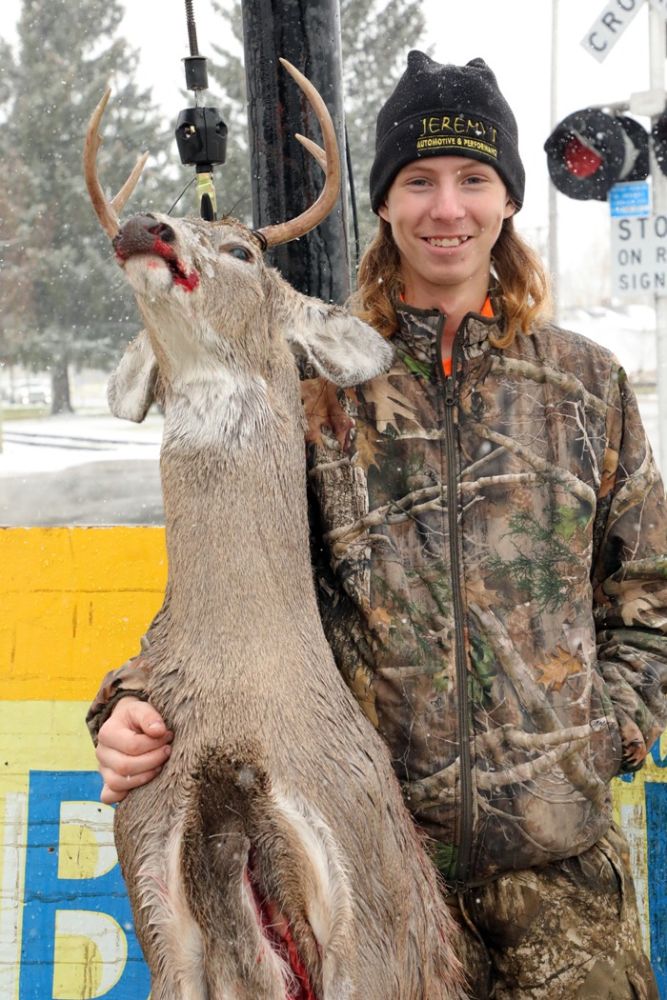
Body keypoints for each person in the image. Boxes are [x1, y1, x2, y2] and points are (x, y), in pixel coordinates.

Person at [87, 52, 667, 998]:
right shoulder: (308, 388)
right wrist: (125, 705)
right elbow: (228, 592)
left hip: (561, 881)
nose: (447, 208)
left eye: (472, 179)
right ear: (386, 204)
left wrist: (603, 736)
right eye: (418, 181)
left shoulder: (586, 383)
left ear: (508, 200)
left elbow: (647, 598)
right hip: (372, 864)